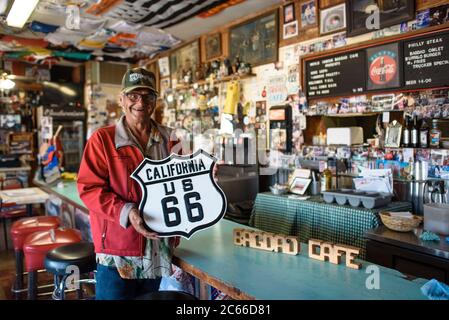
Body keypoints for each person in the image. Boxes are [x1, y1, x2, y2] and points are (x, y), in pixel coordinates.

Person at [77, 67, 182, 300]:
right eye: (134, 95)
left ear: (155, 101)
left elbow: (181, 182)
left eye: (148, 96)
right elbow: (89, 189)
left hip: (157, 247)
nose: (140, 102)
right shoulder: (103, 139)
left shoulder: (171, 139)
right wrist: (128, 211)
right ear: (122, 99)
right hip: (117, 250)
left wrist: (205, 177)